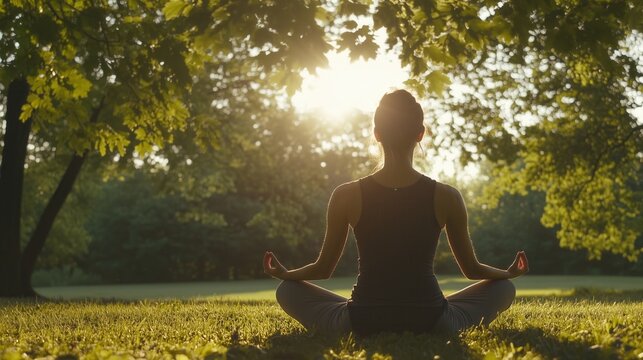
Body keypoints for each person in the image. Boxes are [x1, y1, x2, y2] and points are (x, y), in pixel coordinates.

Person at [262, 89, 529, 336]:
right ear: (420, 133)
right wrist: (507, 274)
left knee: (288, 291)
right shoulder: (447, 196)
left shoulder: (346, 194)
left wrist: (287, 275)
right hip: (432, 320)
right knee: (504, 288)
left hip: (361, 321)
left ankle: (364, 311)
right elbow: (472, 270)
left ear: (377, 134)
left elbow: (323, 269)